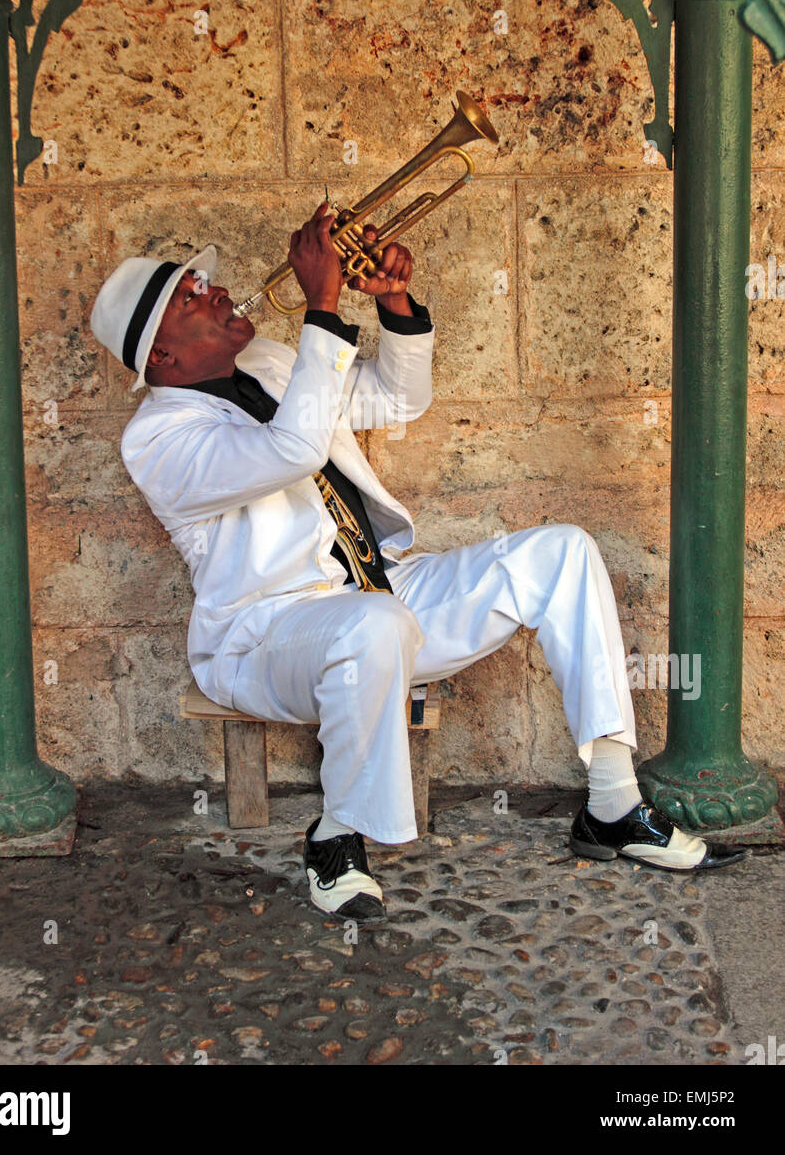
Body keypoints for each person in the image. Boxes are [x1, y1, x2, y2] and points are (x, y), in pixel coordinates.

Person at [89, 201, 744, 921]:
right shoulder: (155, 439)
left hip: (384, 587)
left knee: (563, 552)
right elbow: (292, 450)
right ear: (163, 357)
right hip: (268, 637)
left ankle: (613, 804)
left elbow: (395, 399)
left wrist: (393, 306)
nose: (215, 291)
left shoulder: (274, 362)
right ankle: (336, 836)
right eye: (191, 297)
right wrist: (323, 305)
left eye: (203, 282)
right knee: (369, 626)